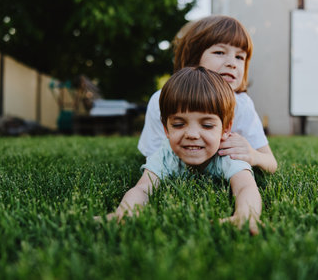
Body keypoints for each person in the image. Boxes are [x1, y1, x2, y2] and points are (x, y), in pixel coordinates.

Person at [102, 67, 262, 234]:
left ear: (225, 129)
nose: (192, 135)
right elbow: (143, 188)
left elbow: (246, 187)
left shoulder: (228, 152)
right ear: (166, 129)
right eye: (178, 124)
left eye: (207, 125)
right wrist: (125, 212)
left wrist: (246, 215)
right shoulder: (166, 153)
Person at [138, 15, 277, 173]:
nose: (232, 63)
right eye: (219, 52)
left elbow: (270, 163)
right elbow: (153, 159)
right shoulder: (161, 100)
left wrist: (253, 156)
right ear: (194, 58)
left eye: (239, 57)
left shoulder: (242, 105)